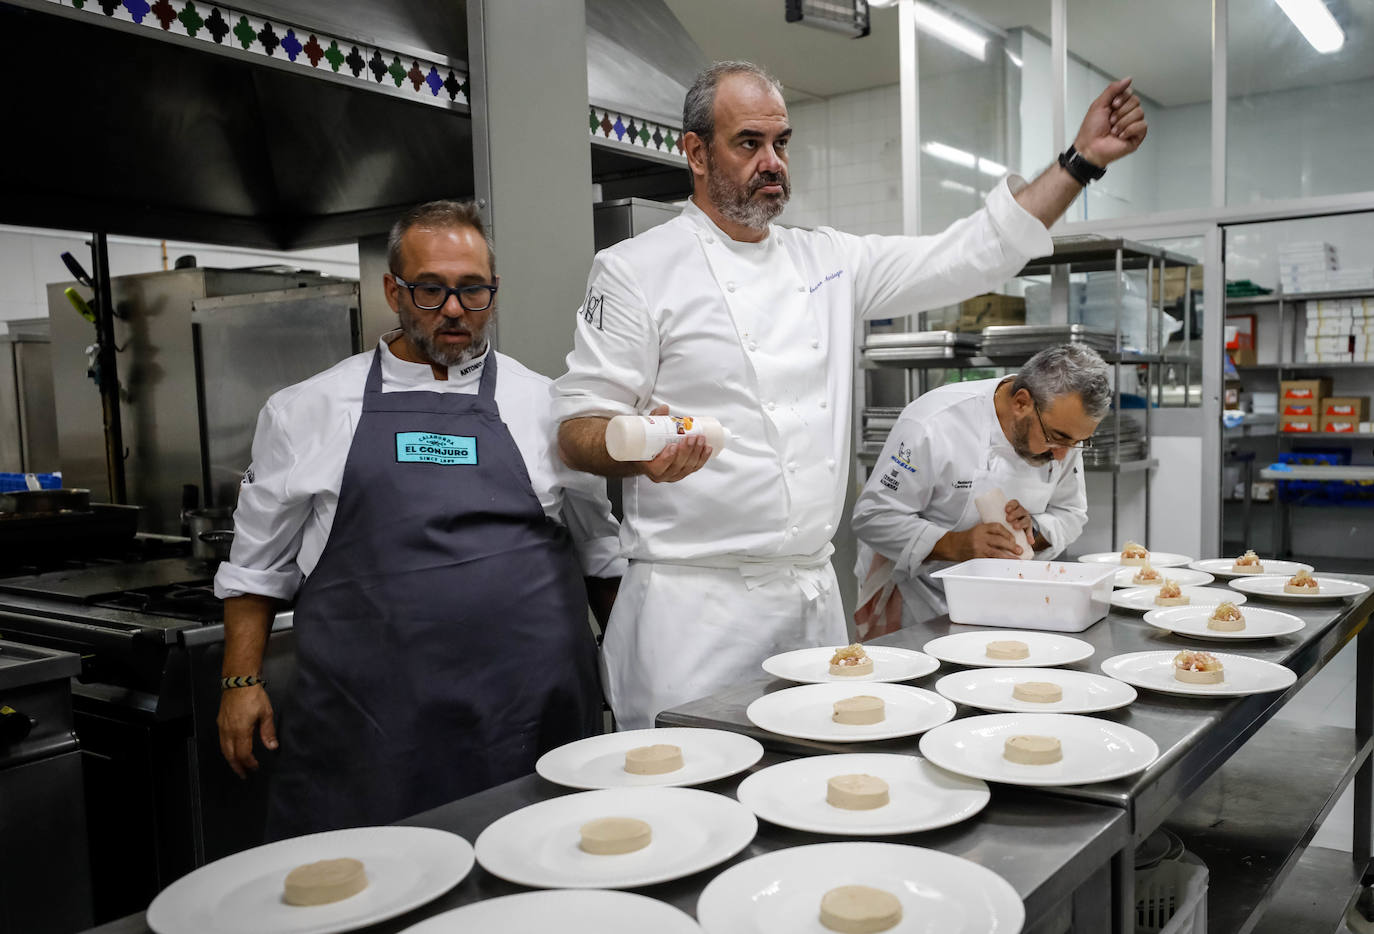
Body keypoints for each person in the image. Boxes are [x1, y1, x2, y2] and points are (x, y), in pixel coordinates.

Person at [553, 60, 1147, 730]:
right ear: (695, 151)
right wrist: (633, 453)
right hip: (694, 614)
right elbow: (576, 426)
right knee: (689, 801)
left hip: (809, 602)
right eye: (749, 143)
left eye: (782, 143)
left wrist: (1079, 162)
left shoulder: (828, 261)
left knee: (815, 796)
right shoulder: (636, 270)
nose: (773, 161)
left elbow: (971, 253)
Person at [214, 200, 623, 838]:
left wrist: (625, 673)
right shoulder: (309, 410)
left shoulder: (544, 405)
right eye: (431, 290)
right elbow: (255, 567)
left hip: (529, 715)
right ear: (393, 290)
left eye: (473, 290)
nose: (454, 310)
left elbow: (599, 550)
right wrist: (240, 681)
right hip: (376, 727)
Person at [851, 344, 1111, 635]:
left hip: (1009, 602)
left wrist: (1033, 533)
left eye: (1077, 443)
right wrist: (955, 544)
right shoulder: (934, 422)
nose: (1063, 455)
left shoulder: (1063, 430)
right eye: (1056, 438)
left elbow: (1071, 512)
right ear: (1022, 402)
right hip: (920, 603)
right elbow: (873, 516)